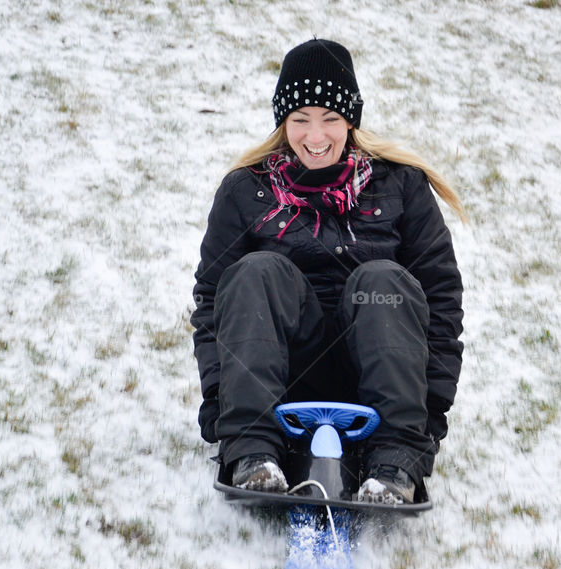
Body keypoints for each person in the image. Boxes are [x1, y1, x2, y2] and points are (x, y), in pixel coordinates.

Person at [190, 38, 464, 504]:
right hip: (279, 378)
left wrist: (427, 423)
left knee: (382, 281)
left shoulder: (402, 186)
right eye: (300, 120)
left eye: (330, 119)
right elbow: (213, 305)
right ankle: (254, 453)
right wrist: (224, 413)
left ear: (351, 121)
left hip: (379, 375)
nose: (315, 137)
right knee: (256, 271)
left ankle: (394, 462)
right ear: (283, 122)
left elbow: (441, 301)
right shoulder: (244, 191)